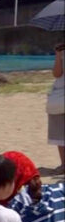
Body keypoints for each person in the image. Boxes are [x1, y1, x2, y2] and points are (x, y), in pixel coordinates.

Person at [47, 42, 65, 173]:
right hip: (60, 98)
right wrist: (58, 55)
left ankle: (64, 164)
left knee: (59, 132)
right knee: (59, 132)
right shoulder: (62, 51)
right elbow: (57, 73)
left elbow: (57, 74)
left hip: (59, 97)